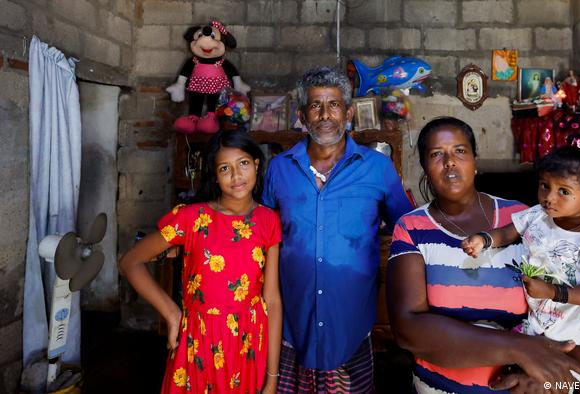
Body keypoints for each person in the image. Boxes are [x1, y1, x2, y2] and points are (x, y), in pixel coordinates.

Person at [387, 117, 580, 394]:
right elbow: (407, 328)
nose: (450, 161)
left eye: (460, 151)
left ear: (475, 160)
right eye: (436, 154)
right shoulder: (411, 228)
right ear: (424, 167)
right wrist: (522, 349)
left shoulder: (527, 220)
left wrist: (553, 370)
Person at [262, 66, 413, 392]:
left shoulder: (377, 168)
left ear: (348, 113)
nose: (325, 114)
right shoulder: (279, 169)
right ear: (302, 115)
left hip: (351, 321)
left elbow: (408, 228)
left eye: (333, 105)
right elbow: (256, 231)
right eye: (315, 105)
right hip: (293, 320)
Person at [119, 131, 282, 394]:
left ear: (256, 164)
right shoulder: (191, 218)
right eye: (225, 168)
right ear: (215, 176)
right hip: (199, 340)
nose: (236, 176)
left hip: (248, 343)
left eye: (243, 163)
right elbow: (131, 261)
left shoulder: (268, 220)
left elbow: (272, 300)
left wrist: (272, 378)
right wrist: (172, 314)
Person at [464, 133, 580, 348]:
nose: (549, 197)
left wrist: (552, 292)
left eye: (563, 191)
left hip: (571, 323)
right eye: (545, 186)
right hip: (538, 313)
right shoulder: (538, 215)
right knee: (523, 346)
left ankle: (552, 353)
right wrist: (484, 239)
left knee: (549, 362)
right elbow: (508, 232)